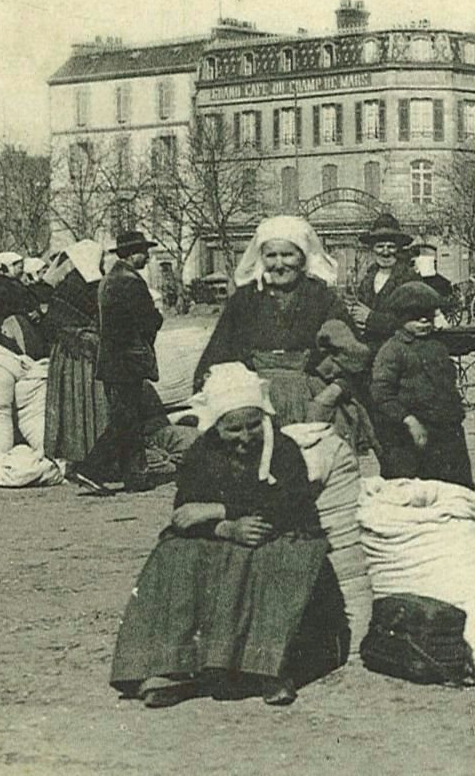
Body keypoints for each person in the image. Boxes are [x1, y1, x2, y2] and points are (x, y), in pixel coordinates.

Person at [109, 363, 345, 708]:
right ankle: (171, 667)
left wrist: (221, 511)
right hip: (226, 535)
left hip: (280, 532)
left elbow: (292, 502)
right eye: (234, 429)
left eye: (253, 425)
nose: (245, 437)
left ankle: (270, 670)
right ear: (217, 425)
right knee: (174, 554)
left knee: (272, 560)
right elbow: (185, 510)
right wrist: (225, 526)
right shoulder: (201, 454)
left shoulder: (283, 449)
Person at [193, 216, 361, 430]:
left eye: (287, 255)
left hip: (312, 406)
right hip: (255, 408)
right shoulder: (244, 299)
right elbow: (217, 356)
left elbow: (354, 357)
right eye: (271, 255)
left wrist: (327, 397)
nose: (279, 264)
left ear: (302, 258)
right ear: (261, 257)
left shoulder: (322, 298)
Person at [70, 232, 167, 495]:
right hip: (128, 361)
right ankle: (88, 469)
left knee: (129, 419)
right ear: (132, 253)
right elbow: (148, 321)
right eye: (143, 252)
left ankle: (134, 477)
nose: (146, 257)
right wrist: (158, 316)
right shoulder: (130, 282)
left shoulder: (108, 280)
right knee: (125, 420)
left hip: (113, 361)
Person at [369, 281, 474, 488]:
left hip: (446, 430)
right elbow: (381, 393)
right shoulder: (393, 350)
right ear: (400, 318)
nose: (424, 321)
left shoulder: (437, 346)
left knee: (454, 487)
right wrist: (408, 420)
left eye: (428, 316)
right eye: (415, 317)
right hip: (410, 434)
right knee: (413, 490)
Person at [42, 240, 109, 465]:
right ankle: (94, 455)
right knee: (93, 402)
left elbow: (50, 322)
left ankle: (76, 455)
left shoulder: (66, 286)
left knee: (72, 404)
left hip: (67, 354)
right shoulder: (94, 287)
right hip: (86, 353)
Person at [350, 212, 418, 351]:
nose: (385, 252)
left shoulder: (409, 278)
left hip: (398, 351)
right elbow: (360, 311)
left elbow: (409, 321)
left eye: (391, 246)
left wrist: (371, 319)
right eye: (380, 246)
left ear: (398, 248)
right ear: (373, 249)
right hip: (368, 347)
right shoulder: (368, 278)